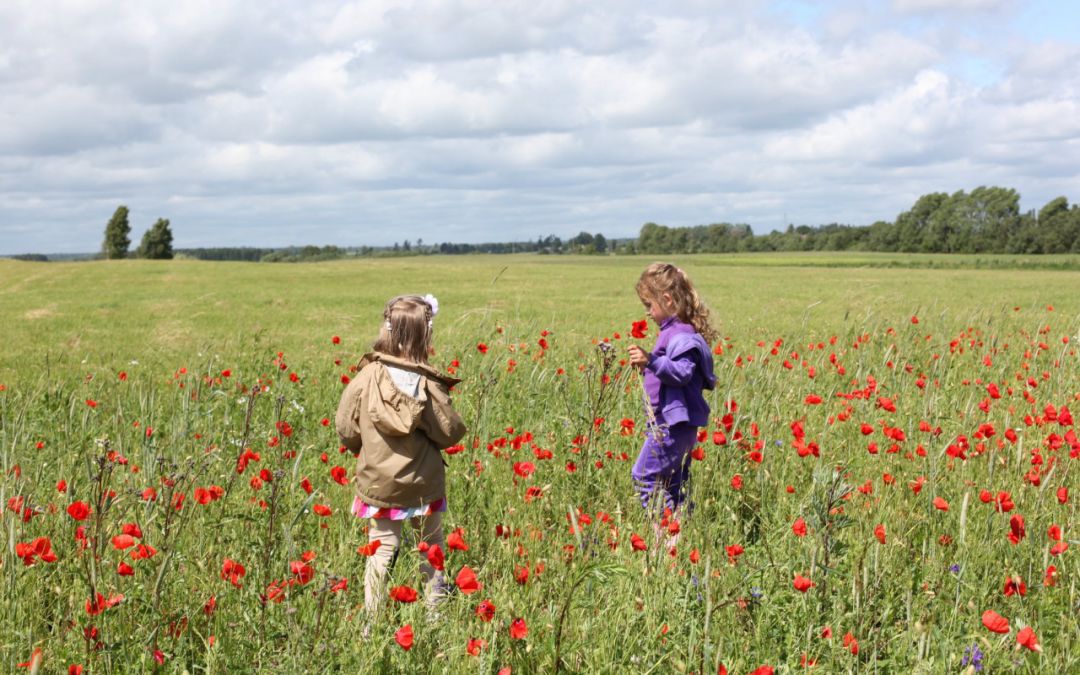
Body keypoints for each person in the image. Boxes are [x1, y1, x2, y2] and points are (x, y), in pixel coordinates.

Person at [335, 294, 467, 614]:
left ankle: (372, 622)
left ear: (387, 329)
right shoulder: (428, 383)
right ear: (425, 334)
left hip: (379, 484)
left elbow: (345, 426)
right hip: (423, 483)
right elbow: (450, 432)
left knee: (381, 549)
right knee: (430, 546)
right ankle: (434, 612)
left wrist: (364, 450)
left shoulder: (366, 377)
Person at [626, 263, 717, 529]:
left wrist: (651, 361)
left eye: (649, 305)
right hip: (670, 425)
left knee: (645, 477)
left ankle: (667, 539)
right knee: (672, 486)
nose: (648, 313)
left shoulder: (682, 335)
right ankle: (680, 542)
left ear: (666, 299)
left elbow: (682, 373)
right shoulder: (674, 331)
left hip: (671, 426)